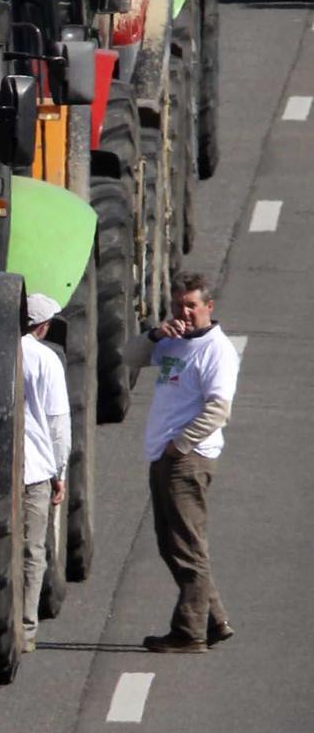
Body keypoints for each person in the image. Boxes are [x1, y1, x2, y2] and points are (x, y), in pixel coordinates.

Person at [124, 271, 240, 654]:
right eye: (178, 305)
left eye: (191, 305)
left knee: (186, 548)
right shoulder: (175, 342)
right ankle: (214, 618)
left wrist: (180, 445)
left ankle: (190, 632)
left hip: (187, 459)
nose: (185, 313)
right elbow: (128, 358)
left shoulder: (216, 350)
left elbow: (217, 410)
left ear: (209, 306)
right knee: (171, 543)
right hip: (164, 454)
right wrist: (156, 334)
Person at [21, 293, 71, 653]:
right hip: (36, 468)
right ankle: (25, 628)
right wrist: (60, 471)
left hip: (5, 466)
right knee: (32, 551)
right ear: (42, 325)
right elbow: (57, 425)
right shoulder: (46, 360)